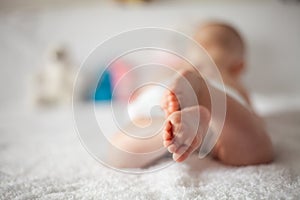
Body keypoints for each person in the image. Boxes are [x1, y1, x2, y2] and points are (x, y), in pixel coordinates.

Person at [110, 22, 273, 168]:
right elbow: (251, 114)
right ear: (239, 66)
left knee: (118, 151)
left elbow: (147, 88)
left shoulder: (178, 69)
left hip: (160, 97)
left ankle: (168, 130)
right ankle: (205, 94)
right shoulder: (229, 77)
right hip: (217, 107)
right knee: (256, 150)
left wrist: (143, 93)